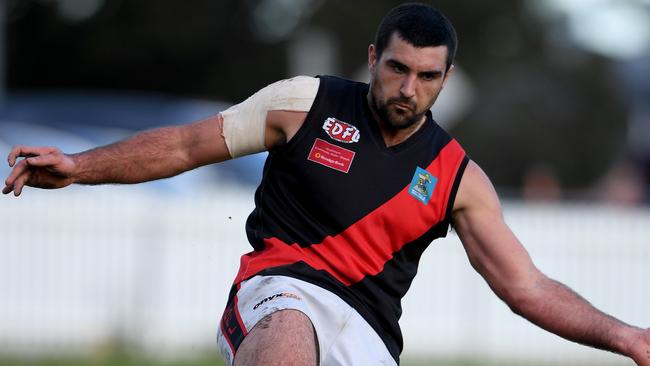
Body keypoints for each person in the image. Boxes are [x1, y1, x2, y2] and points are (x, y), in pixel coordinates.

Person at [3, 3, 649, 366]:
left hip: (367, 334)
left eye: (426, 76)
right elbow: (183, 143)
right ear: (373, 58)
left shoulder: (457, 177)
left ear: (446, 78)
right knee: (288, 334)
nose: (407, 89)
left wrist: (628, 338)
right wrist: (80, 167)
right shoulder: (304, 104)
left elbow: (526, 287)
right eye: (396, 69)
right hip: (279, 289)